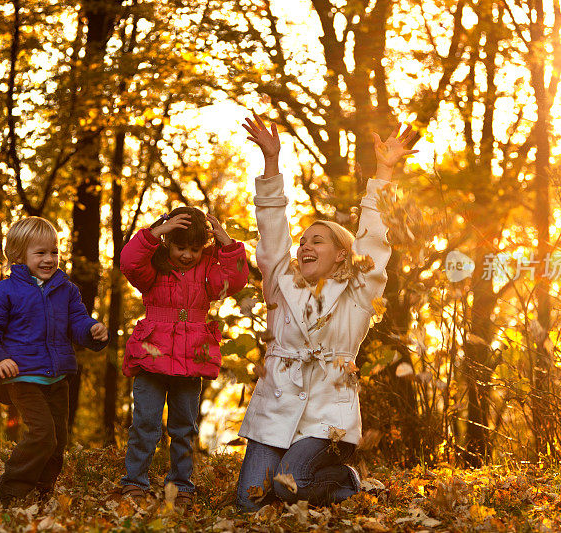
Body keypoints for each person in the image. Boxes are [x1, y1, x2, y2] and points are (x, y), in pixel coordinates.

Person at [235, 113, 418, 511]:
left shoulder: (357, 293)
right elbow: (271, 231)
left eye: (317, 241)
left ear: (341, 255)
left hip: (326, 421)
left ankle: (345, 480)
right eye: (302, 241)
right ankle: (295, 474)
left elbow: (374, 239)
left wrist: (383, 175)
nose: (303, 247)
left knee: (291, 485)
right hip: (276, 412)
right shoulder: (280, 284)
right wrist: (271, 163)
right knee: (249, 505)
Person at [0, 216, 109, 506]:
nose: (49, 259)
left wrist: (92, 330)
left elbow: (77, 322)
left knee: (58, 442)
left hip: (57, 377)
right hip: (22, 377)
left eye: (54, 252)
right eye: (41, 253)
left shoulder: (67, 290)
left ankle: (42, 491)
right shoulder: (5, 292)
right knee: (43, 435)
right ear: (19, 256)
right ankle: (9, 492)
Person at [118, 206, 249, 507]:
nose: (187, 255)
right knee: (146, 422)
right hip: (152, 357)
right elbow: (129, 262)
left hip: (191, 359)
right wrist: (154, 232)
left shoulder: (208, 269)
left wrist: (226, 243)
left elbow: (237, 279)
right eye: (180, 247)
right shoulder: (154, 266)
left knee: (184, 427)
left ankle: (181, 486)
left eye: (194, 248)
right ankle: (134, 481)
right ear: (167, 242)